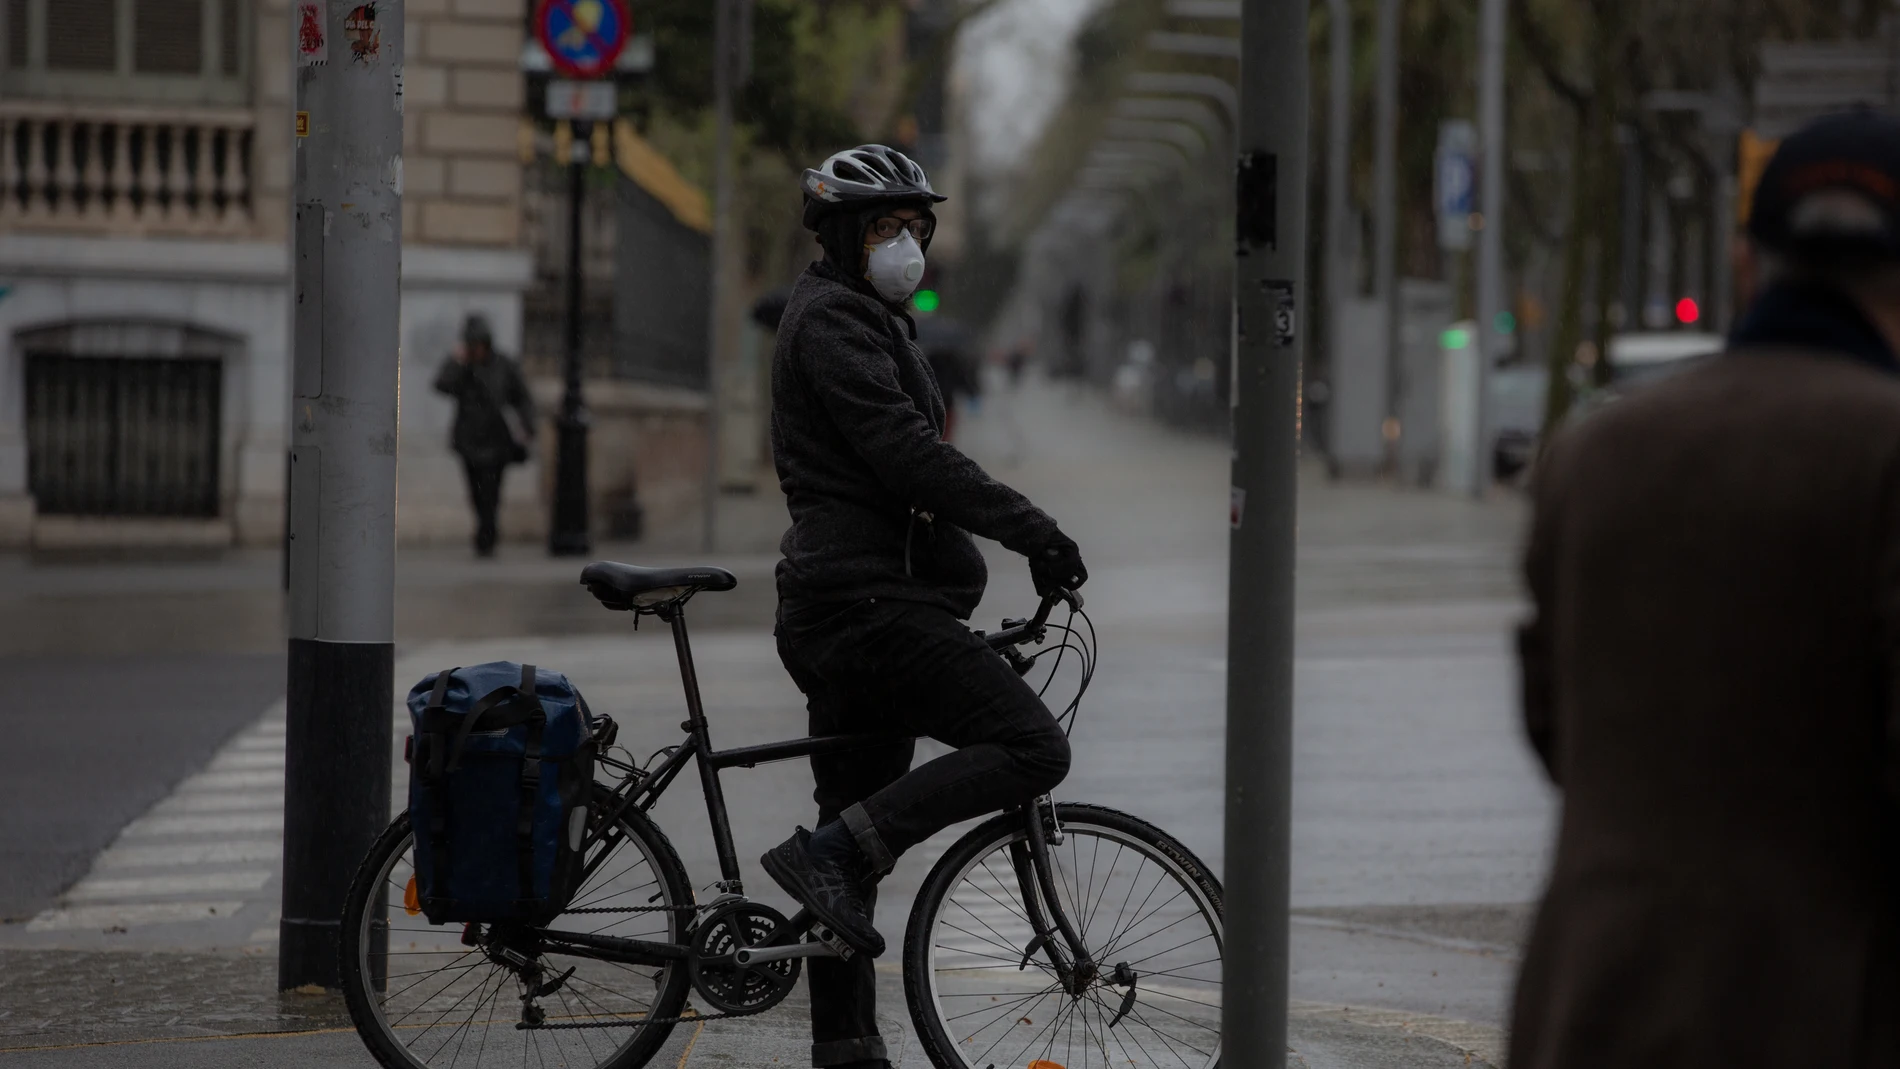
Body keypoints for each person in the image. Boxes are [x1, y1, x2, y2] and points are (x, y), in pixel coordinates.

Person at [1510, 110, 1900, 1068]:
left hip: (1592, 1008)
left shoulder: (1593, 455)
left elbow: (1557, 727)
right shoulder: (1887, 453)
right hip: (1827, 1015)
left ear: (1743, 261)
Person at [761, 144, 1088, 1069]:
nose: (906, 244)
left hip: (858, 604)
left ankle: (848, 1050)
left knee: (850, 841)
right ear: (841, 237)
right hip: (862, 608)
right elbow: (908, 456)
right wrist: (1034, 531)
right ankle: (833, 852)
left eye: (915, 227)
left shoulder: (871, 317)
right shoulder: (834, 322)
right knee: (1032, 746)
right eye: (885, 227)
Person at [432, 314, 534, 557]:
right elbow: (441, 384)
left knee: (492, 491)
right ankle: (484, 530)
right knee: (476, 492)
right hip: (469, 440)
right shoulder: (463, 367)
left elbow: (521, 397)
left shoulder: (503, 365)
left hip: (496, 440)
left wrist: (528, 426)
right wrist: (457, 362)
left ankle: (487, 535)